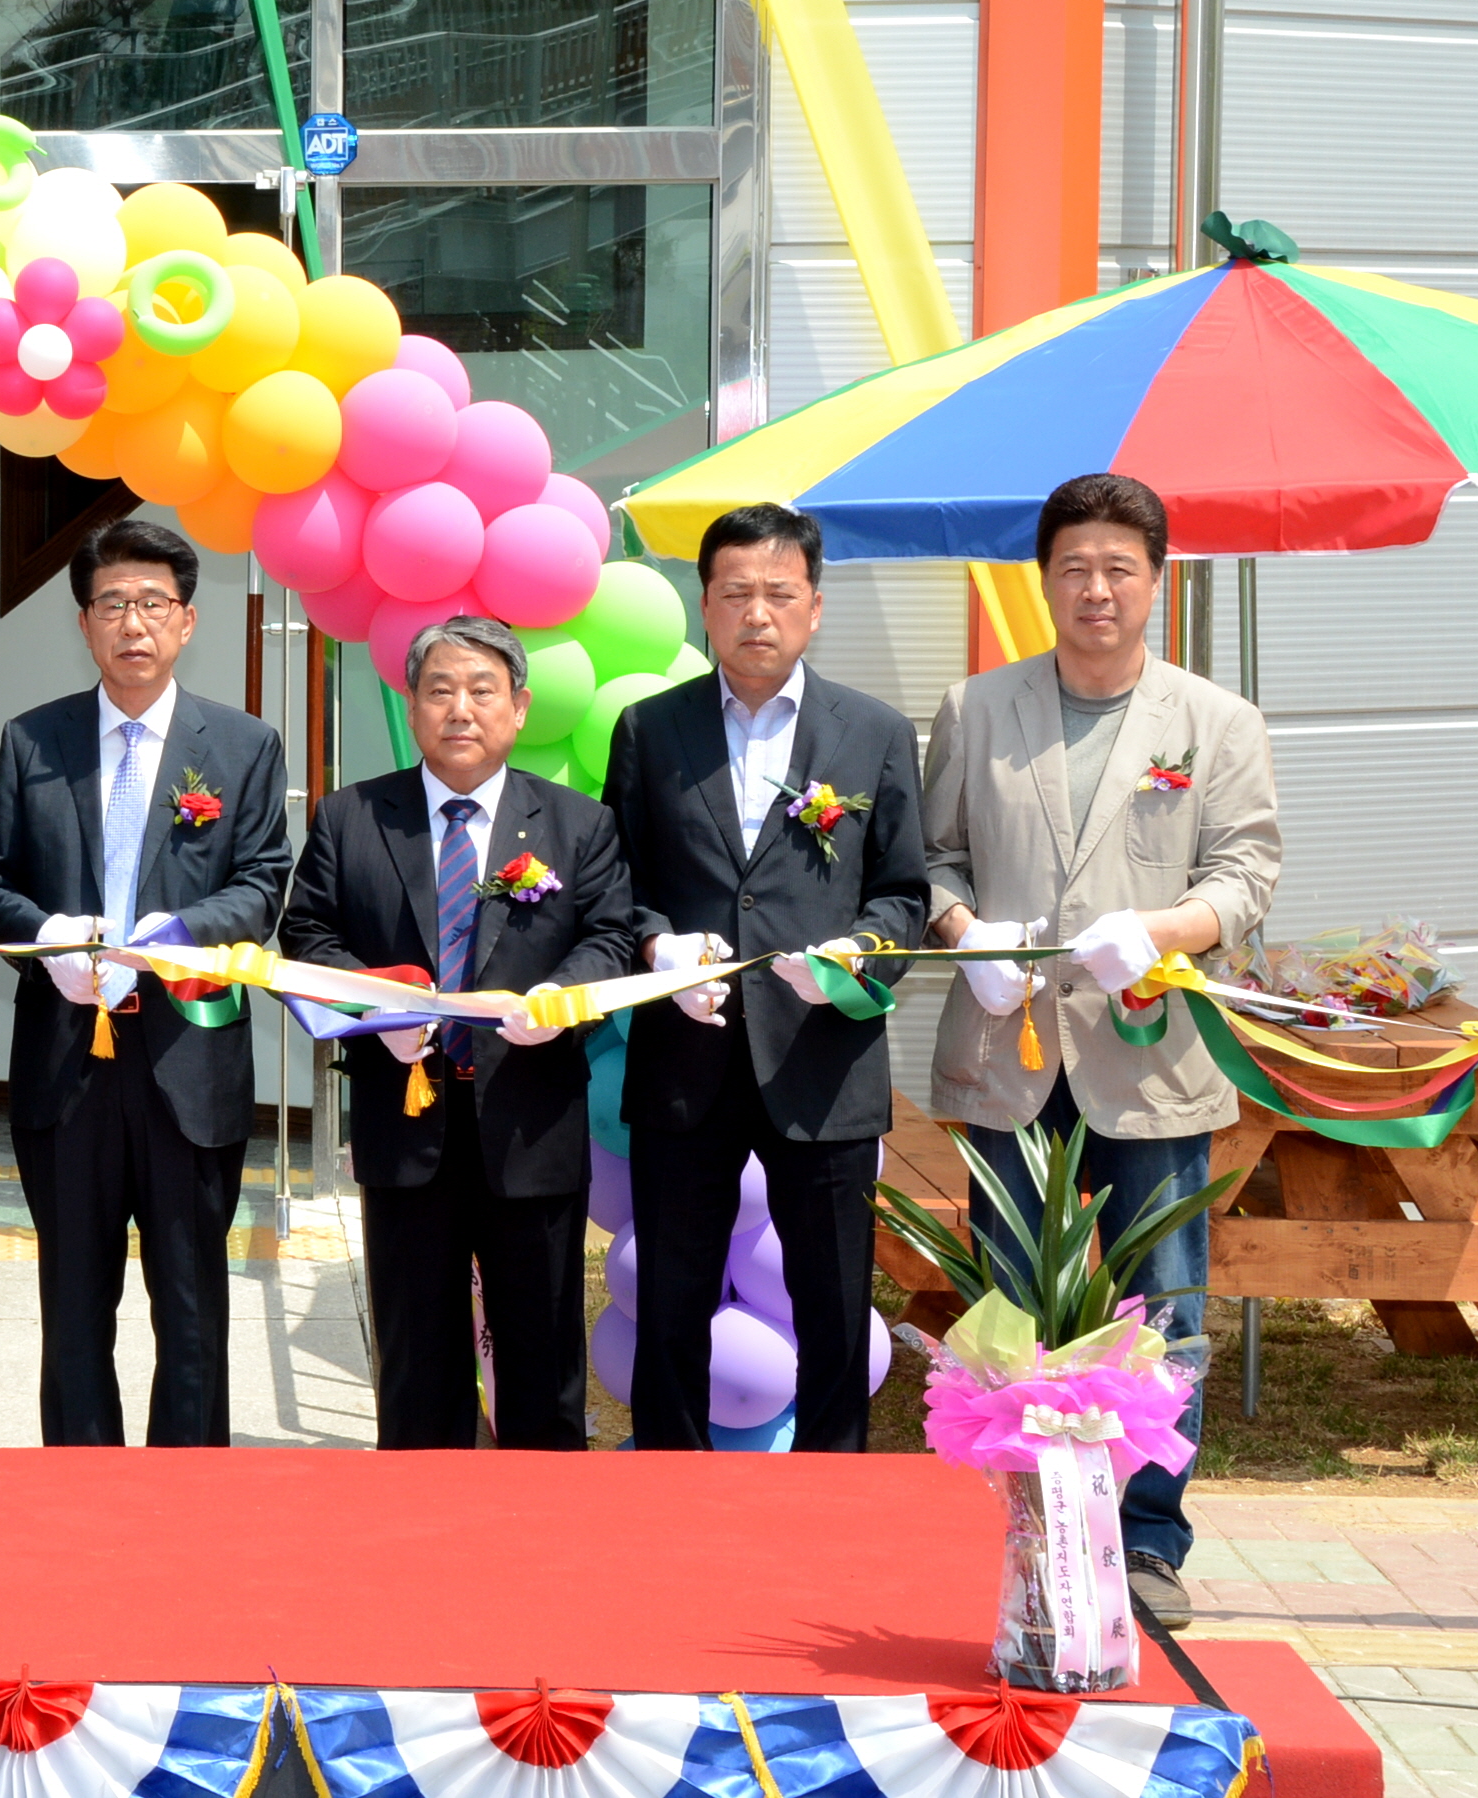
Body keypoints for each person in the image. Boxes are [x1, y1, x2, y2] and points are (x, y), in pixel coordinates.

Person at [922, 472, 1279, 1625]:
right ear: (1044, 580)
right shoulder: (978, 708)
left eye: (1120, 568)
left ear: (1156, 581)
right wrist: (964, 932)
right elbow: (930, 857)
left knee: (1162, 1307)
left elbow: (1247, 873)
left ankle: (1150, 1539)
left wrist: (1167, 930)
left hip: (1149, 1055)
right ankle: (1029, 1520)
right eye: (1074, 566)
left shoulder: (1216, 723)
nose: (1096, 589)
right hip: (1010, 1048)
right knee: (1011, 1303)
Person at [601, 502, 925, 1454]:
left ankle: (831, 1491)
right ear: (703, 605)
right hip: (684, 1057)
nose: (756, 614)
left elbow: (902, 893)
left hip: (822, 1058)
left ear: (814, 607)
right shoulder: (648, 729)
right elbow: (614, 885)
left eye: (778, 594)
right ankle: (671, 1484)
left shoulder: (872, 732)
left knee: (832, 1302)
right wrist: (659, 951)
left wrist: (859, 955)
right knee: (670, 1301)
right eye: (735, 592)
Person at [280, 617, 633, 1449]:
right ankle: (416, 1515)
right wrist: (376, 1015)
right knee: (415, 1358)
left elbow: (610, 937)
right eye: (438, 690)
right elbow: (307, 936)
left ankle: (540, 1516)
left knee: (542, 1359)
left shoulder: (578, 824)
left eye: (481, 690)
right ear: (412, 708)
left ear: (519, 707)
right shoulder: (351, 817)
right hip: (405, 1123)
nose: (460, 709)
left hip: (531, 1124)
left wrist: (559, 998)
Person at [0, 520, 288, 1447]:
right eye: (111, 604)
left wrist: (183, 933)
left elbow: (262, 883)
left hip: (187, 1059)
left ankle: (187, 1492)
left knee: (191, 1308)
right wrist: (47, 938)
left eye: (153, 602)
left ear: (187, 620)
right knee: (73, 1305)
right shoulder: (33, 740)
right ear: (83, 624)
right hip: (65, 1058)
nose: (132, 622)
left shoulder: (241, 745)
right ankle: (81, 1487)